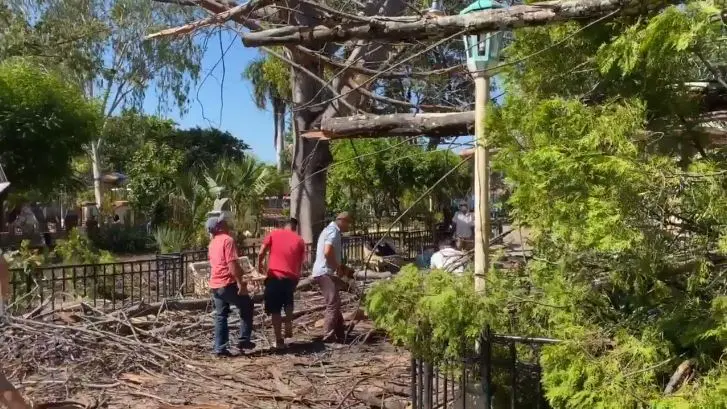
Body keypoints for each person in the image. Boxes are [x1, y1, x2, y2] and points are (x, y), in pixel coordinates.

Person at [206, 214, 255, 357]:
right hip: (227, 283)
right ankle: (244, 340)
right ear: (220, 226)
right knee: (247, 305)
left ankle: (220, 348)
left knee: (221, 315)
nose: (228, 224)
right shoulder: (227, 240)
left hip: (216, 284)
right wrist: (241, 284)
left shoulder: (212, 243)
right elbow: (232, 265)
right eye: (224, 222)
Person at [257, 218, 306, 349]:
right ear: (295, 228)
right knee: (288, 301)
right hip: (291, 278)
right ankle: (288, 321)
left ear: (284, 226)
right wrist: (296, 279)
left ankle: (279, 341)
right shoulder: (300, 240)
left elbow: (261, 252)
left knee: (275, 310)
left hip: (274, 276)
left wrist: (259, 266)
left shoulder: (274, 234)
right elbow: (300, 264)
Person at [312, 212, 352, 342]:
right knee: (333, 302)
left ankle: (340, 331)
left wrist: (342, 268)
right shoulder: (333, 231)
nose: (349, 227)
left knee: (335, 301)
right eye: (349, 223)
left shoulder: (330, 230)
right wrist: (337, 268)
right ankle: (328, 334)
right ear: (343, 221)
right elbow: (328, 252)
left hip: (327, 271)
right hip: (325, 271)